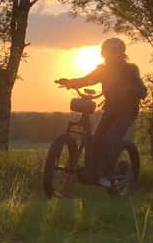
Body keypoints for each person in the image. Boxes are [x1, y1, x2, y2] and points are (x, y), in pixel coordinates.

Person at [56, 37, 147, 188]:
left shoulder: (131, 69)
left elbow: (141, 89)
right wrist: (70, 82)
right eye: (105, 52)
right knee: (96, 139)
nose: (108, 55)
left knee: (111, 139)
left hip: (127, 111)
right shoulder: (103, 69)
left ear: (120, 53)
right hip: (111, 109)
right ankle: (93, 173)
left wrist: (133, 91)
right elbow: (88, 79)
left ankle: (107, 175)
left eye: (111, 52)